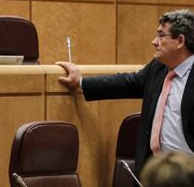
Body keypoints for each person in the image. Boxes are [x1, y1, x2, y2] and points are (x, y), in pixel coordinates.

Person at [57, 9, 194, 178]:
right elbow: (127, 83)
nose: (154, 41)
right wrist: (81, 82)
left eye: (160, 35)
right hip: (158, 173)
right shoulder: (158, 68)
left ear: (180, 40)